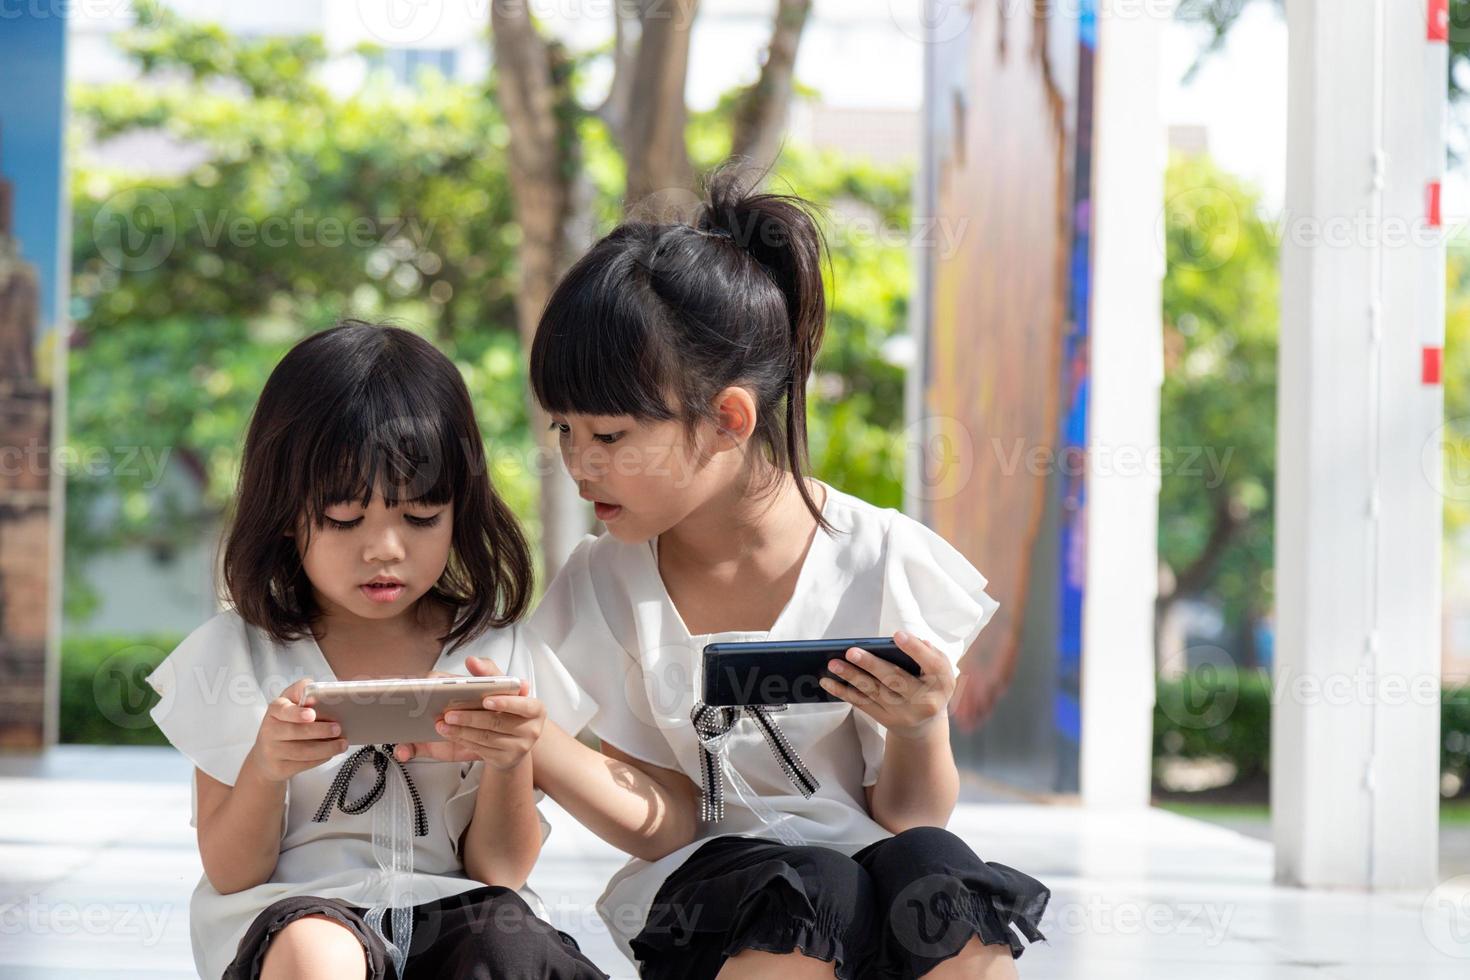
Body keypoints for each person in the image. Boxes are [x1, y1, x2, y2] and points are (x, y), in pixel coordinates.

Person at [513, 171, 1052, 979]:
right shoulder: (606, 580)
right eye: (564, 429)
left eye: (611, 435)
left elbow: (907, 816)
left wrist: (918, 726)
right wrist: (533, 737)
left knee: (936, 864)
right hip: (719, 910)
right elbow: (667, 821)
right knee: (812, 883)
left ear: (729, 419)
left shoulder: (883, 556)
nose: (578, 463)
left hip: (874, 892)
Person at [145, 321, 606, 980]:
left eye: (420, 518)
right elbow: (229, 870)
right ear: (285, 509)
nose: (385, 549)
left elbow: (499, 872)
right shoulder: (237, 654)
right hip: (294, 916)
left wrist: (510, 761)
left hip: (453, 909)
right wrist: (266, 768)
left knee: (512, 946)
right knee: (317, 952)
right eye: (343, 519)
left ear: (460, 509)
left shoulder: (493, 651)